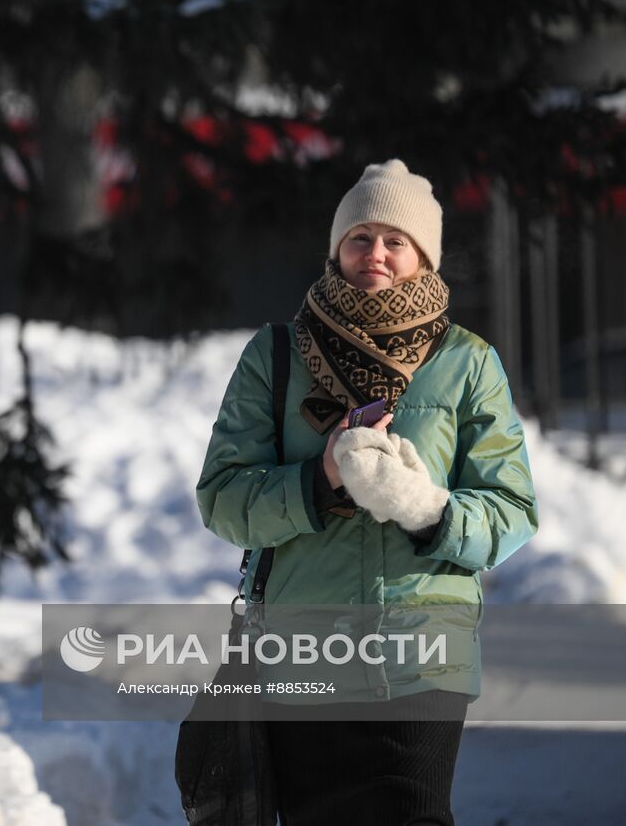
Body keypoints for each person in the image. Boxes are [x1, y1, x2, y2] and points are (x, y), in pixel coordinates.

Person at [195, 159, 538, 825]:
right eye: (359, 237)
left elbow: (512, 509)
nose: (374, 253)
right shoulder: (277, 356)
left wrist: (427, 507)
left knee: (411, 811)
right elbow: (222, 498)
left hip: (421, 660)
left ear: (423, 256)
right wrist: (316, 480)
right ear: (336, 248)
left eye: (394, 240)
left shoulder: (468, 362)